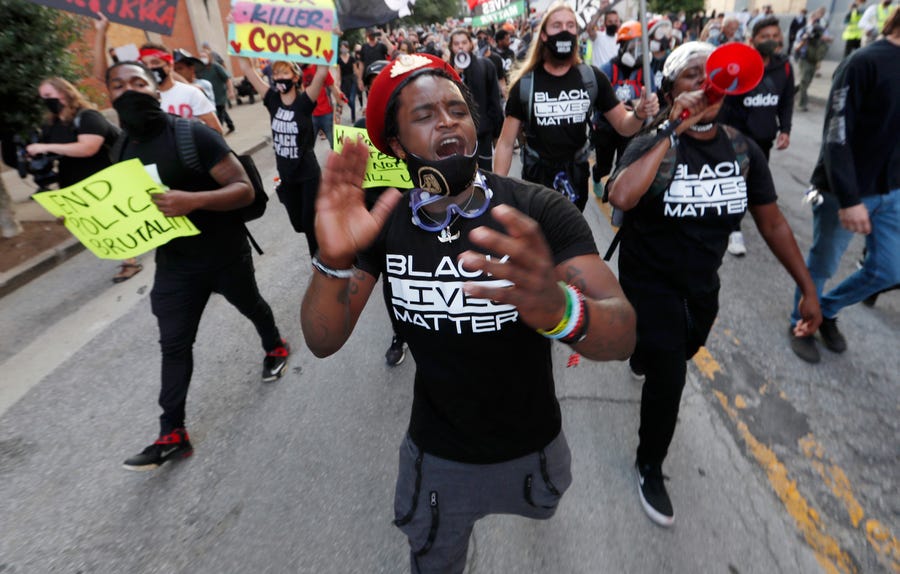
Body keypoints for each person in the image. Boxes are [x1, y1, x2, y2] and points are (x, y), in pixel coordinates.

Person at [300, 52, 636, 573]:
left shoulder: (536, 209)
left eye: (456, 109)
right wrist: (334, 260)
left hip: (532, 448)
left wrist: (560, 309)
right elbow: (324, 339)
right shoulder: (383, 221)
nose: (447, 122)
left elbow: (621, 332)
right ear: (395, 144)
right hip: (437, 456)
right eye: (424, 115)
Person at [606, 41, 821, 527]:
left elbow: (773, 224)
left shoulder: (741, 149)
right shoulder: (653, 140)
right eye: (692, 77)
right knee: (670, 374)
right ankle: (649, 466)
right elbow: (620, 193)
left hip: (701, 286)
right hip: (649, 281)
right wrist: (672, 129)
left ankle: (642, 353)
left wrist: (807, 288)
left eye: (713, 78)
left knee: (683, 349)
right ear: (671, 88)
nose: (705, 86)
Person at [103, 61, 290, 471]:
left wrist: (192, 201)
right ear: (109, 96)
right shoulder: (120, 148)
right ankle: (172, 434)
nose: (129, 90)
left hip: (223, 252)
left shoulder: (193, 135)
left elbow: (242, 190)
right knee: (174, 345)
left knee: (250, 304)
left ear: (156, 90)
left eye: (138, 82)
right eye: (119, 85)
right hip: (174, 265)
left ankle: (274, 344)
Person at [787, 7, 900, 363]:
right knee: (821, 264)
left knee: (889, 269)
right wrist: (850, 199)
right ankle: (801, 321)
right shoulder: (863, 62)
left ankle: (826, 310)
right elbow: (836, 135)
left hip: (892, 192)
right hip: (843, 193)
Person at [494, 2, 658, 213]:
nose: (564, 30)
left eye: (570, 25)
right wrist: (497, 190)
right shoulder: (526, 84)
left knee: (569, 238)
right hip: (537, 179)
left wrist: (638, 113)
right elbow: (506, 143)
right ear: (543, 35)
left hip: (576, 178)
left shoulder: (591, 78)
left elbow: (624, 126)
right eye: (557, 25)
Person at [25, 77, 142, 284]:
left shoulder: (87, 117)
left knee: (114, 220)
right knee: (102, 223)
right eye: (42, 97)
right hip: (73, 181)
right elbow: (50, 148)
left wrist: (46, 148)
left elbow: (88, 147)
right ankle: (130, 255)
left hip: (102, 179)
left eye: (48, 96)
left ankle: (130, 261)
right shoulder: (52, 123)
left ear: (64, 93)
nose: (45, 101)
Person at [719, 16, 795, 257]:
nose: (771, 41)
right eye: (765, 37)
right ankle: (733, 230)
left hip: (764, 139)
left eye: (774, 36)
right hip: (737, 138)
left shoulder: (784, 67)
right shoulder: (740, 65)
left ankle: (752, 219)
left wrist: (785, 129)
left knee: (754, 185)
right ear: (753, 39)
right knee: (736, 185)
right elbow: (725, 103)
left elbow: (786, 101)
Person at [239, 57, 328, 256]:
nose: (279, 77)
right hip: (286, 175)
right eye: (276, 73)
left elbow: (322, 73)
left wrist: (330, 39)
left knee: (309, 221)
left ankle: (319, 260)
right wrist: (237, 41)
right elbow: (247, 68)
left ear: (295, 77)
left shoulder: (305, 101)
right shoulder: (271, 99)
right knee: (298, 224)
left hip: (308, 174)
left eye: (284, 73)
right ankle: (327, 233)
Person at [92, 13, 223, 134]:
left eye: (155, 63)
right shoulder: (139, 95)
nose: (150, 68)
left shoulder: (190, 93)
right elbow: (102, 75)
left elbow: (215, 129)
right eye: (145, 64)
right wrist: (101, 33)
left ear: (169, 65)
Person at [593, 21, 652, 195]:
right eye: (634, 46)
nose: (638, 51)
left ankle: (615, 193)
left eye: (641, 46)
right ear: (622, 47)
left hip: (632, 126)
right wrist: (615, 106)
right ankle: (597, 176)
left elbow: (652, 94)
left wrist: (641, 104)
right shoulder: (607, 69)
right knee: (604, 165)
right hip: (606, 127)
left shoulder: (644, 71)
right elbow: (597, 98)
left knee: (623, 164)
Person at [449, 29, 504, 171]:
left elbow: (494, 102)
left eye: (464, 43)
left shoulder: (486, 66)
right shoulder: (446, 71)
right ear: (451, 47)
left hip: (482, 135)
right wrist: (454, 75)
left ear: (471, 45)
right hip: (456, 136)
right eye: (456, 44)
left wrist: (497, 133)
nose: (460, 47)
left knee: (484, 175)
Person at [794, 7, 833, 111]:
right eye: (812, 19)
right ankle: (802, 104)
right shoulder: (803, 30)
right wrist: (805, 39)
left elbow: (830, 40)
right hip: (804, 58)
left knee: (807, 82)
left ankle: (791, 92)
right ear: (808, 19)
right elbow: (797, 45)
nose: (814, 21)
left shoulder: (821, 30)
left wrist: (824, 38)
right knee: (804, 80)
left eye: (816, 19)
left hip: (814, 58)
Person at [302, 64, 344, 149]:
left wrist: (339, 109)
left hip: (326, 114)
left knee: (336, 145)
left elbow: (333, 88)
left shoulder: (320, 69)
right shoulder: (299, 73)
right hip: (310, 116)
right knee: (307, 148)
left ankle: (340, 161)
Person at [197, 48, 237, 134]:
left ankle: (218, 133)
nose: (202, 58)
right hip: (209, 98)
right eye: (201, 57)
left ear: (209, 57)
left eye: (204, 56)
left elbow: (227, 79)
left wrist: (231, 91)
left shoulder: (216, 67)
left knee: (219, 116)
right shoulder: (200, 69)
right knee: (221, 112)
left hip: (220, 96)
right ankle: (231, 125)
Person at [337, 41, 360, 123]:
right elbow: (338, 72)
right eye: (342, 47)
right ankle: (352, 110)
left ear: (348, 48)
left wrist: (360, 79)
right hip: (344, 81)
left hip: (352, 80)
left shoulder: (352, 58)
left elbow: (355, 70)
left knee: (352, 99)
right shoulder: (339, 59)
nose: (343, 49)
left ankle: (353, 117)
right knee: (346, 99)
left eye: (345, 47)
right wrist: (338, 83)